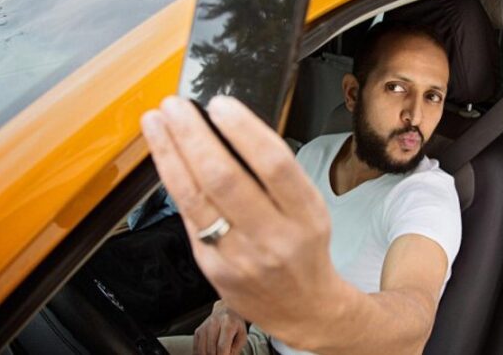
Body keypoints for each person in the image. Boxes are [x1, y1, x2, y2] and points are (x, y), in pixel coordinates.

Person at [142, 21, 462, 355]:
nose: (416, 115)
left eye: (432, 96)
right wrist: (230, 307)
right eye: (397, 88)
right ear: (353, 93)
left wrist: (319, 318)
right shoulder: (316, 153)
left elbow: (413, 316)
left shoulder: (426, 195)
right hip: (261, 344)